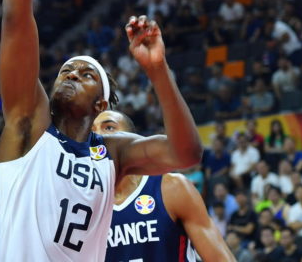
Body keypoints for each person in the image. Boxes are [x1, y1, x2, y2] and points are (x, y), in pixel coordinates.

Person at [0, 0, 202, 260]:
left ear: (101, 103)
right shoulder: (28, 126)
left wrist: (157, 71)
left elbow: (186, 152)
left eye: (85, 74)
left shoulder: (111, 154)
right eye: (66, 71)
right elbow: (16, 18)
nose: (71, 74)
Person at [93, 110, 234, 262]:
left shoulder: (172, 188)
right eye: (91, 132)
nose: (99, 136)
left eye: (109, 128)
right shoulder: (79, 206)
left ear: (132, 140)